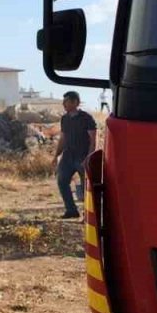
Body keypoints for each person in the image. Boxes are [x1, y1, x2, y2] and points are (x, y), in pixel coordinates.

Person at [55, 91, 98, 219]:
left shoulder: (86, 118)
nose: (64, 104)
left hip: (82, 156)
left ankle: (89, 215)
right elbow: (62, 138)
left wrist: (88, 158)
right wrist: (56, 155)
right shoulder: (65, 119)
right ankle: (71, 210)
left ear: (75, 102)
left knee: (87, 187)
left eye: (66, 101)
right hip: (68, 156)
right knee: (62, 181)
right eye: (63, 101)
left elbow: (93, 139)